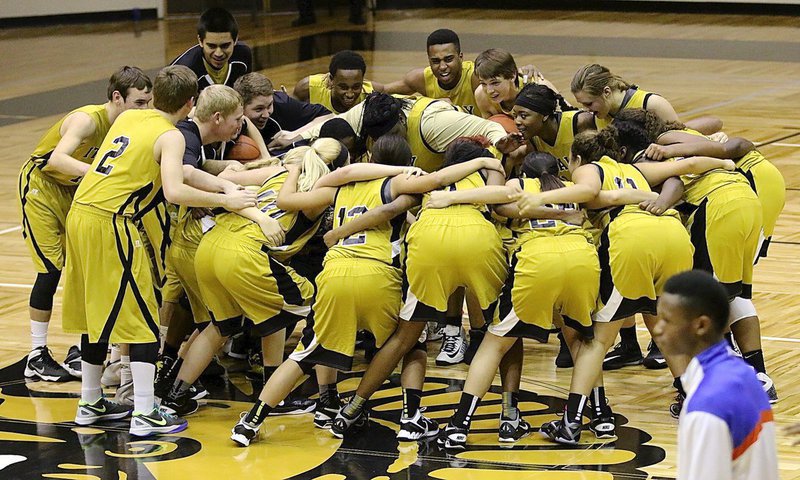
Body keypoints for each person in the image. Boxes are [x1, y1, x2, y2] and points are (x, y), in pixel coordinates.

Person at [62, 65, 258, 437]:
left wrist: (222, 188)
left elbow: (183, 174)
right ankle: (145, 411)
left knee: (97, 313)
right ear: (190, 103)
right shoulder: (172, 137)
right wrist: (229, 203)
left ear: (154, 97)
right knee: (144, 319)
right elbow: (175, 190)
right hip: (113, 222)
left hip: (81, 214)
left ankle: (90, 401)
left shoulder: (130, 118)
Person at [513, 129, 736, 442]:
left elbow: (597, 194)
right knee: (666, 326)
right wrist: (724, 164)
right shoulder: (637, 169)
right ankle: (696, 401)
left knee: (597, 341)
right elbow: (687, 166)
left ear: (575, 158)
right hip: (672, 236)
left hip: (633, 240)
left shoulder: (587, 171)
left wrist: (544, 197)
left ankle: (572, 421)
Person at [331, 139, 508, 439]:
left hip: (428, 243)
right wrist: (493, 164)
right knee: (502, 335)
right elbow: (501, 204)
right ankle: (506, 415)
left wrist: (339, 232)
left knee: (404, 338)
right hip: (478, 240)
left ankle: (353, 408)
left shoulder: (427, 177)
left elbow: (389, 209)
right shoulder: (488, 170)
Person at [431, 152, 600, 449]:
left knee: (494, 344)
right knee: (582, 342)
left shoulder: (519, 186)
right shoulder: (573, 188)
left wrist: (448, 199)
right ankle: (593, 418)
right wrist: (564, 214)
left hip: (538, 261)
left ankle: (459, 425)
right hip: (583, 260)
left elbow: (497, 205)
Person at [17, 66, 153, 383]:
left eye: (148, 102)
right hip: (42, 188)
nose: (145, 110)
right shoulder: (88, 119)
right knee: (51, 268)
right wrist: (101, 174)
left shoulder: (129, 125)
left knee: (85, 270)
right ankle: (36, 355)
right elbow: (57, 159)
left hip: (78, 193)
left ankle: (81, 349)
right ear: (117, 98)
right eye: (139, 103)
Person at [654, 270, 777, 480]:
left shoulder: (706, 406)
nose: (657, 329)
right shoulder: (744, 374)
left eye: (667, 320)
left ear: (701, 325)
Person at [570, 63, 721, 134]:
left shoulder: (652, 103)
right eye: (582, 104)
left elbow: (681, 137)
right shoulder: (599, 114)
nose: (586, 109)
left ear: (607, 92)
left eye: (589, 103)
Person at [383, 29, 482, 116]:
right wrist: (429, 104)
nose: (442, 67)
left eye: (448, 59)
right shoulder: (420, 79)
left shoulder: (477, 77)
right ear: (429, 61)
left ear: (460, 57)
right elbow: (383, 90)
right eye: (436, 61)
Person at [234, 72, 332, 156]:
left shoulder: (281, 103)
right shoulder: (228, 120)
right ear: (240, 106)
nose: (266, 115)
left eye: (269, 106)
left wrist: (294, 136)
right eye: (259, 109)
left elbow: (328, 115)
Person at [171, 7, 253, 91]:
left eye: (225, 46)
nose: (218, 53)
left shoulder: (243, 55)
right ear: (200, 41)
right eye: (211, 46)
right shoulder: (182, 71)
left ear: (235, 40)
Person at [293, 50, 382, 115]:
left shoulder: (369, 91)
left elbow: (392, 88)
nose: (350, 94)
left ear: (363, 80)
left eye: (356, 87)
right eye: (343, 87)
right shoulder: (306, 89)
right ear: (331, 80)